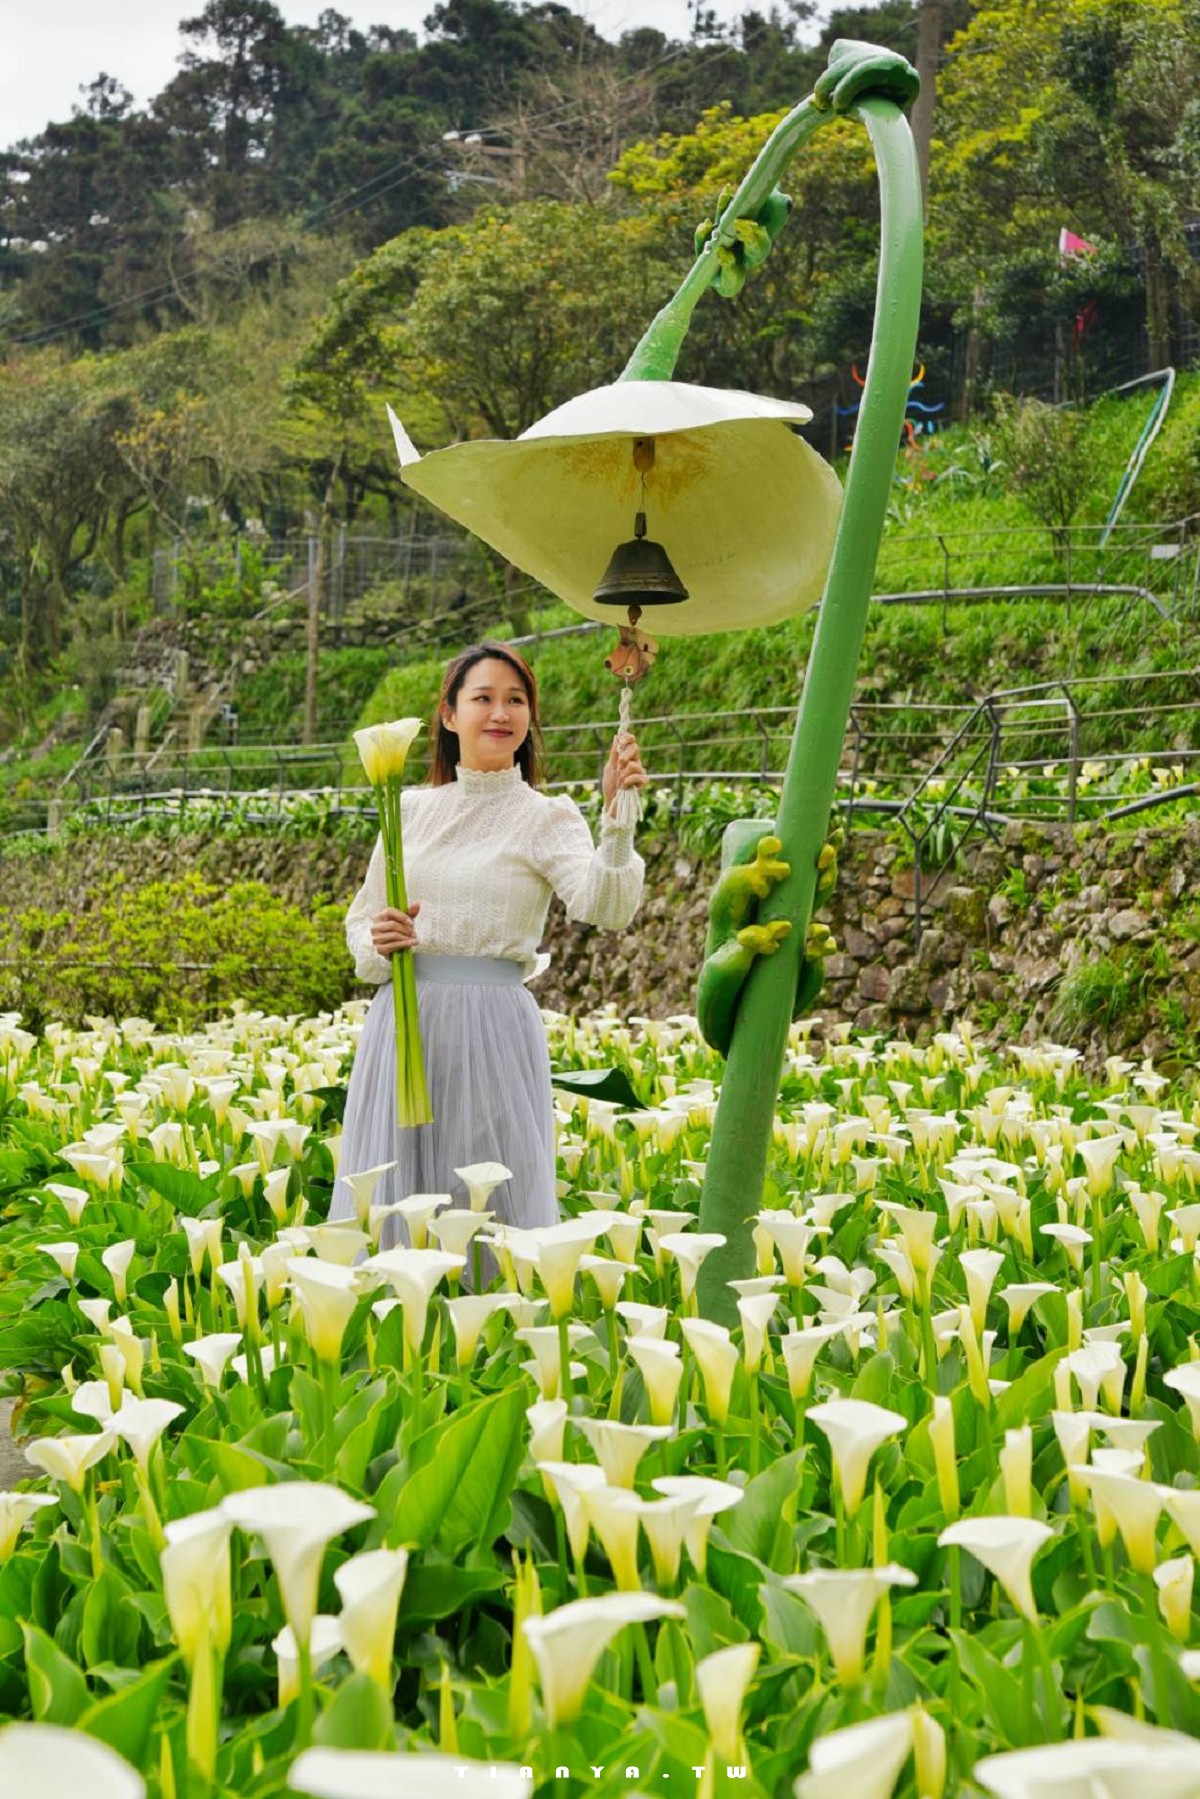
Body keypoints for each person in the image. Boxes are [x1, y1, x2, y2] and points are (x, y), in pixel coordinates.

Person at [330, 640, 648, 1252]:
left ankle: (495, 1335)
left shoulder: (545, 817)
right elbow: (361, 933)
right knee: (394, 1198)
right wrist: (382, 938)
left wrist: (617, 818)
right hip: (404, 1025)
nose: (501, 713)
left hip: (493, 1032)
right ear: (449, 715)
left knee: (490, 1202)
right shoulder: (408, 810)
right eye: (484, 698)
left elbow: (605, 907)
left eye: (516, 700)